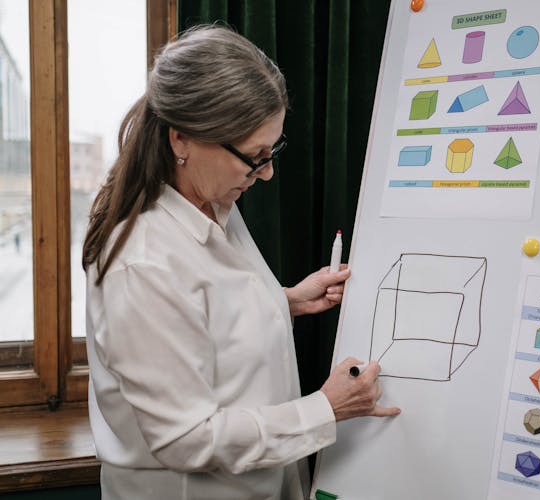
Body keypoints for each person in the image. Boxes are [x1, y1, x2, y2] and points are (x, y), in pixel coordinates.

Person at [82, 24, 400, 500]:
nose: (267, 173)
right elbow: (186, 439)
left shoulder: (210, 203)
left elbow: (200, 322)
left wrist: (285, 301)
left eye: (272, 152)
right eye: (254, 157)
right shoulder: (142, 262)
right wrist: (326, 408)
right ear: (182, 140)